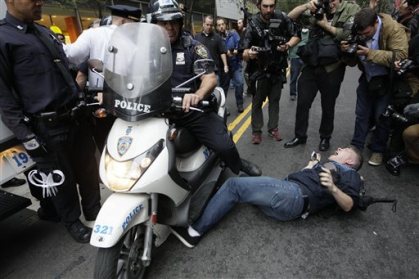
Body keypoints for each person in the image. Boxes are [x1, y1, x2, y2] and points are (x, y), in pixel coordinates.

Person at [0, 0, 100, 243]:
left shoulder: (44, 31)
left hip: (76, 116)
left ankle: (94, 210)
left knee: (88, 170)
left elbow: (65, 69)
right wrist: (26, 136)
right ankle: (73, 222)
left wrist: (84, 70)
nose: (39, 2)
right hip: (47, 127)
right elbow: (3, 96)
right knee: (60, 178)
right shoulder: (3, 38)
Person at [147, 0, 261, 177]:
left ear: (180, 23)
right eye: (163, 23)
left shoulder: (193, 47)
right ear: (154, 25)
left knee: (224, 144)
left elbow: (209, 78)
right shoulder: (147, 50)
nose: (169, 27)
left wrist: (197, 95)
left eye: (173, 22)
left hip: (188, 110)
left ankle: (237, 164)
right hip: (154, 112)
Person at [171, 146, 364, 248]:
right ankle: (221, 199)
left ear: (349, 160)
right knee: (244, 181)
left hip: (293, 195)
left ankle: (194, 232)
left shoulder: (350, 174)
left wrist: (333, 188)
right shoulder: (330, 167)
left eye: (344, 149)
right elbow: (306, 174)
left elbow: (349, 205)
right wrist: (312, 163)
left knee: (233, 185)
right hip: (287, 206)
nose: (339, 148)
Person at [285, 0, 361, 151]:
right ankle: (300, 136)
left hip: (332, 67)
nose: (330, 3)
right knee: (302, 103)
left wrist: (325, 25)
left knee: (328, 106)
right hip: (311, 64)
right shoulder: (318, 6)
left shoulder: (351, 9)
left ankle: (325, 137)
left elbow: (348, 33)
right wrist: (307, 5)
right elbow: (290, 17)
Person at [64, 5, 141, 151]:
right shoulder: (135, 42)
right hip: (127, 100)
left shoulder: (92, 34)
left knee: (107, 142)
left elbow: (70, 55)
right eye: (135, 24)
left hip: (106, 99)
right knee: (129, 142)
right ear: (124, 22)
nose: (137, 28)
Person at [341, 8, 408, 166]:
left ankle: (378, 150)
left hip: (386, 79)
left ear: (375, 23)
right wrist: (346, 51)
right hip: (368, 77)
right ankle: (356, 146)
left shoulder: (393, 29)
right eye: (361, 33)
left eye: (367, 32)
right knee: (361, 114)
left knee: (381, 116)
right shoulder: (357, 29)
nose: (364, 36)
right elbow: (351, 60)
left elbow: (401, 56)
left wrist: (370, 53)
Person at [242, 0, 300, 144]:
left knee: (274, 101)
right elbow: (243, 51)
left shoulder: (281, 17)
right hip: (259, 70)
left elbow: (297, 35)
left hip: (277, 69)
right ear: (258, 6)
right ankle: (256, 131)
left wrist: (287, 45)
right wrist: (249, 53)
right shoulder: (252, 23)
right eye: (265, 6)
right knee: (257, 102)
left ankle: (273, 128)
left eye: (271, 6)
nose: (268, 10)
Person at [194, 15, 230, 97]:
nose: (209, 27)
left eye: (211, 25)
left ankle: (218, 109)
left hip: (214, 71)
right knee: (201, 94)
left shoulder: (217, 37)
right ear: (203, 24)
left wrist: (225, 65)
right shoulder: (197, 37)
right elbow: (193, 52)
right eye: (207, 24)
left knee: (215, 94)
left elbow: (222, 52)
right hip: (200, 72)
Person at [216, 17, 245, 113]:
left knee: (240, 84)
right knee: (223, 88)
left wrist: (236, 49)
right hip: (224, 68)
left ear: (226, 25)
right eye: (219, 25)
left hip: (235, 64)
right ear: (217, 27)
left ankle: (239, 103)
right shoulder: (216, 38)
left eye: (222, 24)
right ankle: (223, 108)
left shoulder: (233, 33)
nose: (221, 27)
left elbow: (240, 43)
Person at [288, 28, 309, 101]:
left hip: (306, 57)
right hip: (295, 57)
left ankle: (305, 93)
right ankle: (293, 93)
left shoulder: (311, 31)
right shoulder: (293, 30)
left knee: (306, 77)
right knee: (294, 77)